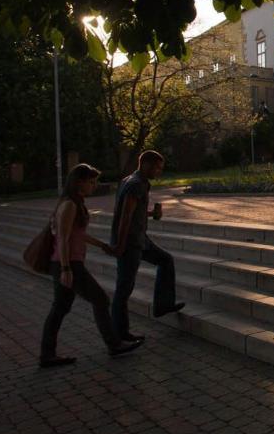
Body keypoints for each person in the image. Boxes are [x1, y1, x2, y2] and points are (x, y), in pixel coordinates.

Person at [41, 164, 143, 367]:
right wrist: (65, 268)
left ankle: (47, 355)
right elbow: (62, 237)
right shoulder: (69, 205)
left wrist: (102, 245)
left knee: (60, 308)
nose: (94, 186)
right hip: (69, 263)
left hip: (67, 262)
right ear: (79, 182)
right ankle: (114, 344)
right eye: (91, 181)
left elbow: (77, 234)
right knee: (100, 300)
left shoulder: (74, 203)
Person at [110, 150, 185, 342]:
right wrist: (119, 244)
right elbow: (125, 216)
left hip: (140, 239)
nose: (159, 171)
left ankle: (163, 305)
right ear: (144, 164)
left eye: (161, 167)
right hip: (130, 243)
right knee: (124, 288)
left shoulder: (131, 180)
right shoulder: (136, 184)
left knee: (166, 260)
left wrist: (152, 214)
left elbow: (134, 211)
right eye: (157, 167)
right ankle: (120, 333)